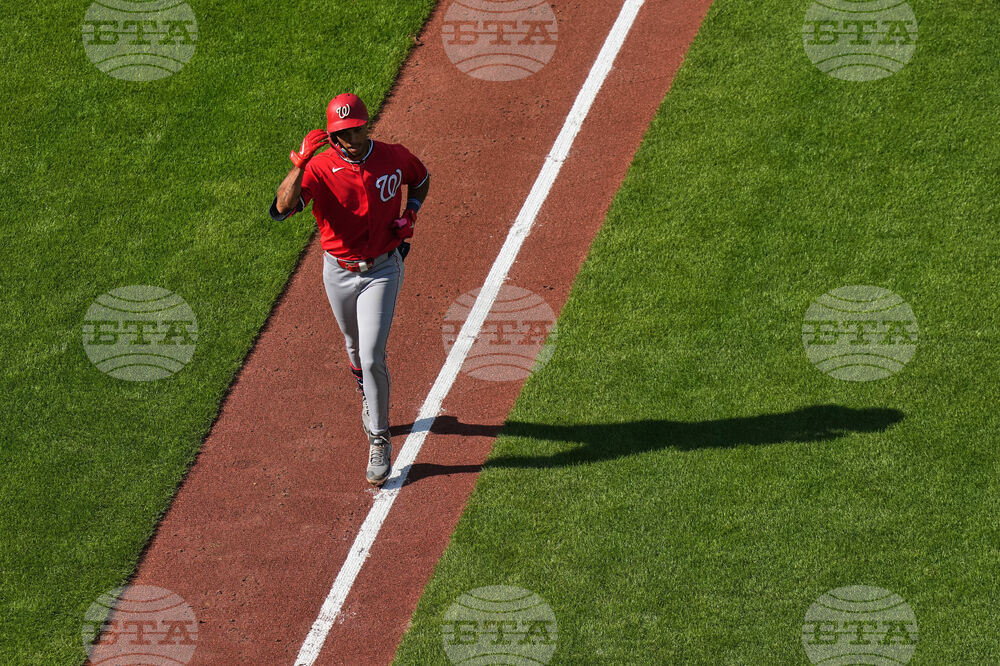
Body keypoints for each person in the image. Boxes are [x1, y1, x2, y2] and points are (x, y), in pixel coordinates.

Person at [269, 93, 430, 486]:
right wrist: (301, 164)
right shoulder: (319, 168)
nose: (352, 138)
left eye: (357, 129)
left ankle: (379, 438)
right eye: (343, 133)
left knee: (372, 355)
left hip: (383, 269)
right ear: (332, 135)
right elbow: (281, 209)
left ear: (366, 125)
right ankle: (366, 394)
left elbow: (421, 178)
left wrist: (411, 212)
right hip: (338, 272)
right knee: (354, 346)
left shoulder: (392, 156)